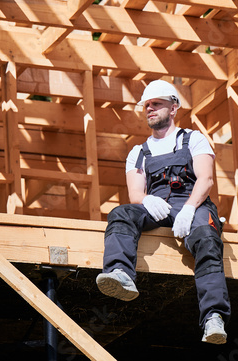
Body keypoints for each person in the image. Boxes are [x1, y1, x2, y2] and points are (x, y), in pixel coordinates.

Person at [95, 80, 230, 344]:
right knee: (121, 213)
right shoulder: (138, 152)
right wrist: (146, 201)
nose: (150, 109)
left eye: (156, 104)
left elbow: (206, 180)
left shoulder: (194, 139)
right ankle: (120, 274)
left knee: (206, 238)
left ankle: (214, 316)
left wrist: (190, 209)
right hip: (157, 206)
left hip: (194, 204)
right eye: (147, 105)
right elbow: (135, 193)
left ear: (174, 107)